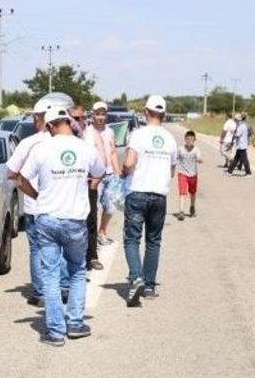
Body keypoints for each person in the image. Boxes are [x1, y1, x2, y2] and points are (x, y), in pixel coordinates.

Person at [18, 105, 106, 346]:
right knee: (77, 271)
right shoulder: (84, 147)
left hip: (47, 218)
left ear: (49, 126)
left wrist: (36, 196)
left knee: (50, 274)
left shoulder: (41, 148)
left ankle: (55, 331)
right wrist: (87, 185)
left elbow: (21, 179)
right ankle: (75, 323)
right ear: (69, 122)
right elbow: (100, 171)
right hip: (75, 219)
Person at [6, 93, 74, 307]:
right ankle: (64, 286)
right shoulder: (68, 142)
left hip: (35, 206)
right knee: (61, 247)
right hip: (62, 205)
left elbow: (11, 172)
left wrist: (32, 191)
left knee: (37, 249)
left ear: (39, 118)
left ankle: (41, 292)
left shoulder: (29, 143)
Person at [122, 95, 178, 306]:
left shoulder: (138, 135)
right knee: (153, 241)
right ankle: (150, 286)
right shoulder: (170, 138)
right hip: (159, 194)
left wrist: (124, 172)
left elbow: (129, 163)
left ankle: (137, 277)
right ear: (164, 114)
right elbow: (172, 169)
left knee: (132, 239)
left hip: (137, 192)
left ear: (146, 112)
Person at [84, 101, 122, 267]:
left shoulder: (110, 131)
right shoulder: (87, 132)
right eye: (98, 114)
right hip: (94, 176)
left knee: (110, 207)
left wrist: (117, 172)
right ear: (93, 115)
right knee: (93, 210)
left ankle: (102, 231)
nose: (100, 117)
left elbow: (112, 152)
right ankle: (91, 246)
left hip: (109, 174)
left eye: (103, 114)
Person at [177, 130, 203, 219]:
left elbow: (200, 158)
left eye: (192, 139)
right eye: (188, 139)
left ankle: (192, 207)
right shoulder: (180, 149)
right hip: (182, 173)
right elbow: (175, 159)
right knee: (182, 192)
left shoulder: (196, 149)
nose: (189, 141)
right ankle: (181, 211)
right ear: (185, 139)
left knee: (192, 192)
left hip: (193, 175)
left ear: (195, 140)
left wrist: (198, 159)